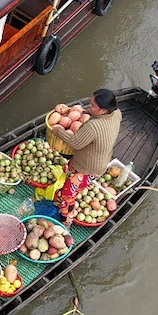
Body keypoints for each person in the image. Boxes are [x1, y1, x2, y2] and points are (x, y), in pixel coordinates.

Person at [51, 88, 123, 224]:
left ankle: (66, 220)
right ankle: (61, 198)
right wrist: (83, 112)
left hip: (87, 168)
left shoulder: (94, 126)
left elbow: (75, 143)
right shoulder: (116, 113)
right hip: (99, 160)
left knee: (68, 194)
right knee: (69, 176)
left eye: (92, 106)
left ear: (103, 111)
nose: (89, 107)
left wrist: (58, 131)